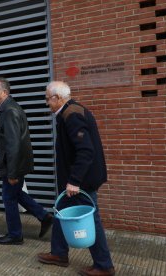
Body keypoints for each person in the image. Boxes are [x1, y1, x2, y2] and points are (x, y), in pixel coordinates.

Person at [37, 81, 115, 276]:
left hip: (82, 182)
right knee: (60, 212)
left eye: (48, 98)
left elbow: (86, 151)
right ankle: (59, 253)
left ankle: (104, 265)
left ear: (57, 98)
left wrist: (74, 181)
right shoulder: (69, 112)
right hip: (75, 181)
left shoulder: (72, 115)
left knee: (92, 220)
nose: (47, 102)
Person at [0, 77, 53, 245]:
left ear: (4, 92)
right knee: (16, 194)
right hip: (14, 165)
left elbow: (13, 144)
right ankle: (44, 216)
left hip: (13, 166)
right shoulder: (7, 109)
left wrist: (12, 172)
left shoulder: (10, 111)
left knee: (9, 198)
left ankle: (15, 235)